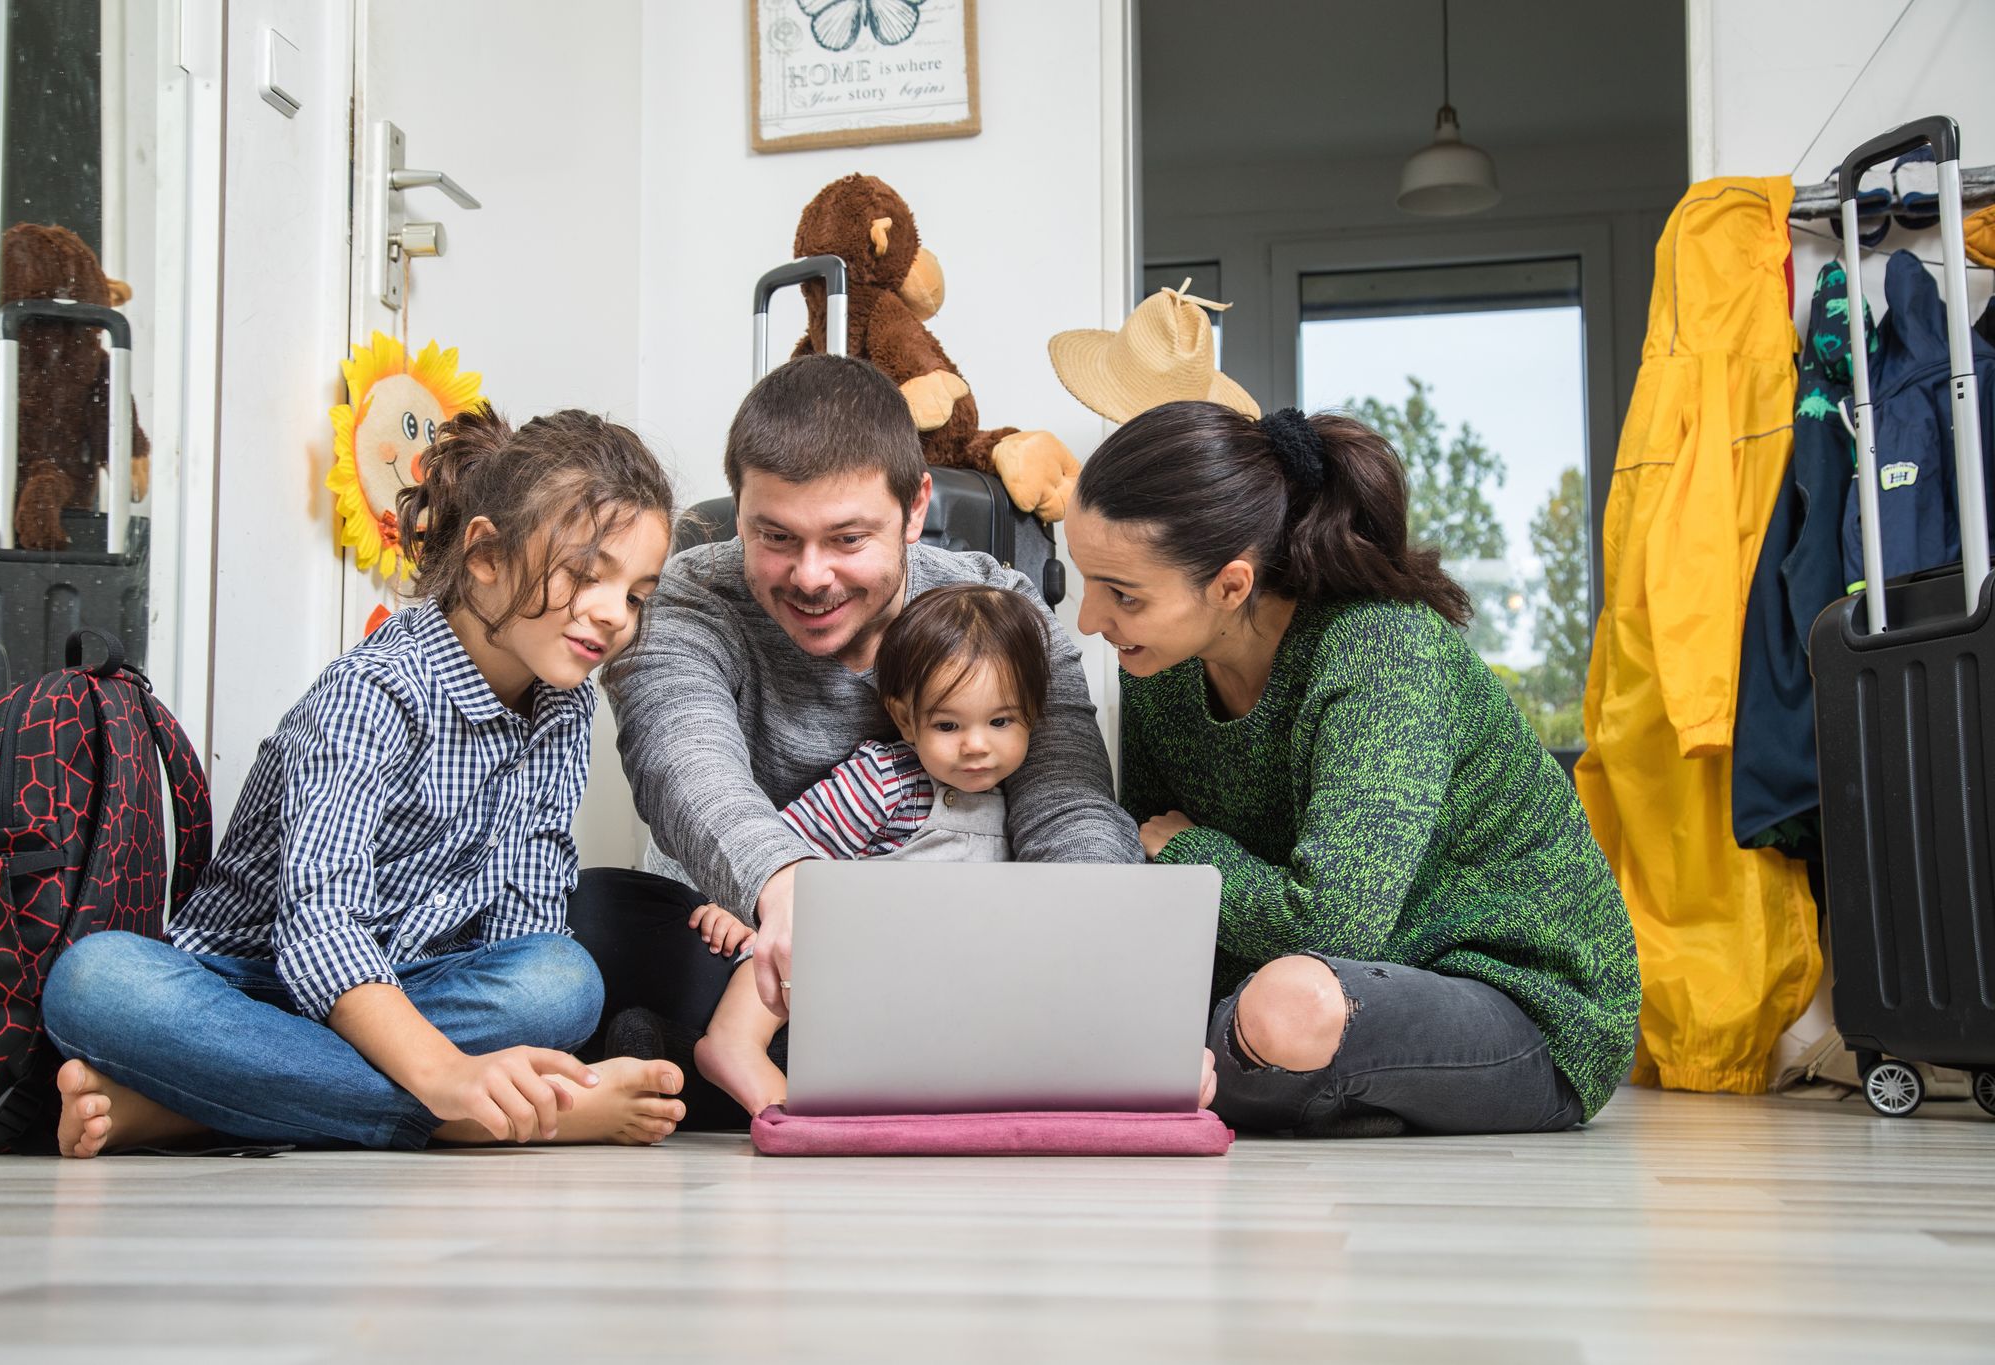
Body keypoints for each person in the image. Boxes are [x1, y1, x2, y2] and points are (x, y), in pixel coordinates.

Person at [40, 406, 690, 1156]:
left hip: (411, 991)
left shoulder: (565, 707)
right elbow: (320, 930)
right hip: (251, 986)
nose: (614, 616)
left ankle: (198, 1104)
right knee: (96, 980)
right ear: (484, 554)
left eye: (636, 595)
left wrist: (457, 1044)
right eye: (585, 575)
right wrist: (447, 1075)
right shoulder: (374, 691)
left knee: (563, 979)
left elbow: (523, 928)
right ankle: (451, 1116)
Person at [1064, 401, 1640, 1137]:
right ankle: (1300, 1085)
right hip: (1324, 976)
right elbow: (1167, 898)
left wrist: (1188, 852)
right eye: (1088, 581)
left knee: (1286, 1009)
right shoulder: (1160, 669)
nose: (1088, 619)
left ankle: (1277, 1077)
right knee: (1169, 1029)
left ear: (1232, 585)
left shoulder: (1381, 648)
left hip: (1523, 999)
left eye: (1123, 594)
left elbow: (1335, 920)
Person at [608, 354, 1141, 1043]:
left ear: (914, 508)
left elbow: (1066, 801)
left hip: (944, 949)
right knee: (601, 921)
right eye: (775, 537)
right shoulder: (688, 596)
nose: (810, 576)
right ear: (738, 512)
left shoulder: (1005, 610)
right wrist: (785, 885)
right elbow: (680, 760)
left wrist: (1100, 957)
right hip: (736, 937)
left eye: (848, 539)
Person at [687, 583, 1051, 1116]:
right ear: (906, 719)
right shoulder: (885, 780)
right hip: (854, 968)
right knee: (808, 923)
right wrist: (735, 909)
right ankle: (734, 1042)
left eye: (1001, 722)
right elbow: (783, 852)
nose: (977, 745)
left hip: (933, 988)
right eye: (948, 725)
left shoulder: (1020, 805)